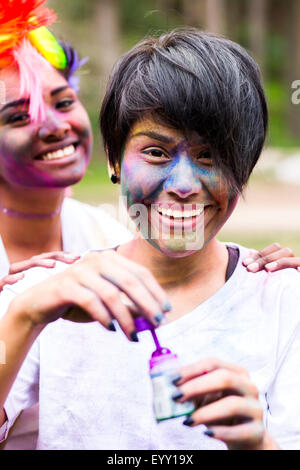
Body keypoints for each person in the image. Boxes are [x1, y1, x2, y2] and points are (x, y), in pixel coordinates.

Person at [0, 28, 300, 450]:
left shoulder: (285, 301)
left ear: (244, 170)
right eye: (156, 152)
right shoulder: (46, 296)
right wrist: (24, 315)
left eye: (210, 156)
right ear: (114, 159)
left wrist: (257, 444)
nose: (183, 185)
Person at [0, 0, 132, 449]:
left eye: (63, 101)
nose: (56, 126)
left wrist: (247, 267)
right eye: (19, 116)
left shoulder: (112, 238)